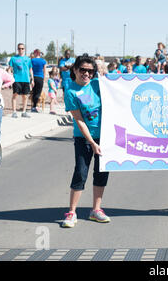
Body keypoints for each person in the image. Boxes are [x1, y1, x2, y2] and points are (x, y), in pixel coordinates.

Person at [62, 54, 110, 228]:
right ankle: (72, 212)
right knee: (81, 172)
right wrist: (92, 143)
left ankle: (96, 210)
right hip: (84, 139)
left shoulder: (98, 85)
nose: (87, 74)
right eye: (83, 70)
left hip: (104, 137)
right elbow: (79, 121)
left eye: (90, 71)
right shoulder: (71, 91)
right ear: (75, 70)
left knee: (101, 172)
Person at [9, 43, 34, 118]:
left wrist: (32, 79)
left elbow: (30, 69)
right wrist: (10, 78)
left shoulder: (28, 59)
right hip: (16, 79)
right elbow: (9, 69)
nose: (21, 50)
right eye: (19, 48)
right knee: (15, 95)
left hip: (26, 80)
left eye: (22, 48)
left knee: (25, 96)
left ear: (24, 49)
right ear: (17, 49)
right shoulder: (13, 58)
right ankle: (14, 112)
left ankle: (24, 112)